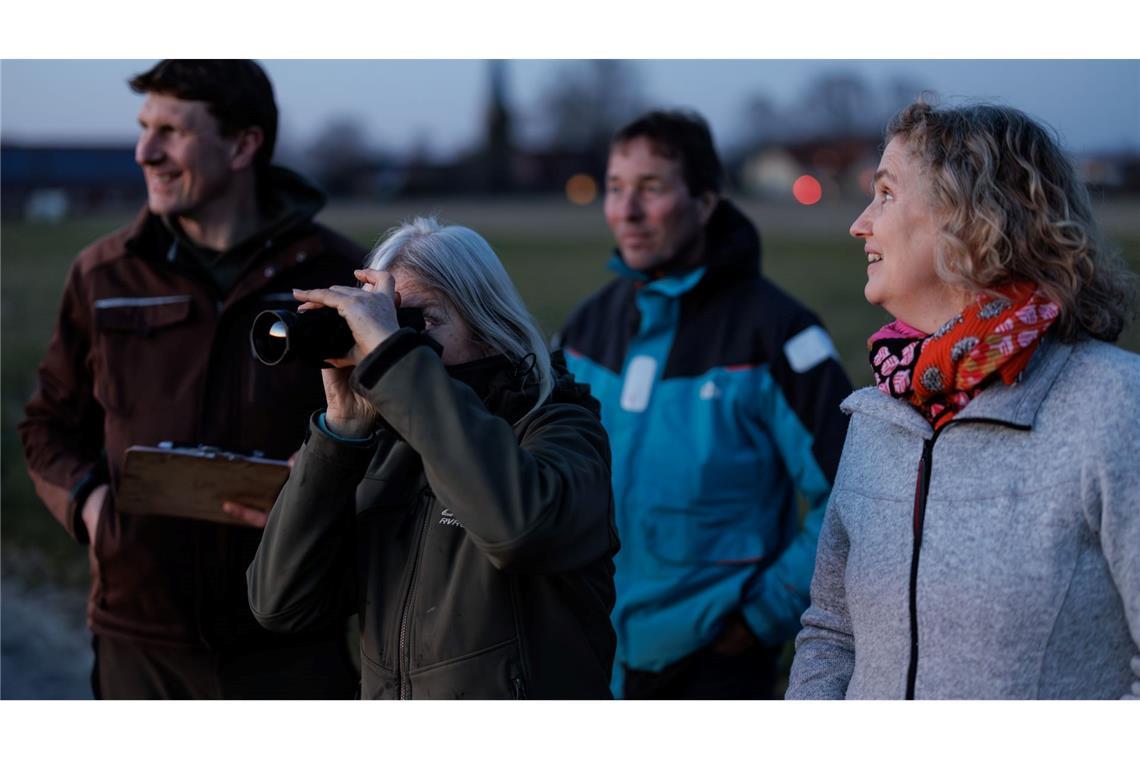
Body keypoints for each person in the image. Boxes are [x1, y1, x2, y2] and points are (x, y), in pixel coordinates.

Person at [18, 60, 363, 699]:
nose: (145, 151)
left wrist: (325, 491)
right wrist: (91, 510)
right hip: (139, 643)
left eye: (172, 131)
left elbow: (396, 442)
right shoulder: (103, 274)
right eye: (144, 127)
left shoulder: (340, 277)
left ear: (243, 145)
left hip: (293, 646)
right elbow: (47, 427)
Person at [786, 101, 1140, 699]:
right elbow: (831, 635)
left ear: (971, 217)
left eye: (887, 194)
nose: (859, 224)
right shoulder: (878, 414)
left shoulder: (1112, 405)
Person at [246, 217, 619, 699]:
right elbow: (280, 603)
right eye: (382, 324)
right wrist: (340, 433)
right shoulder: (385, 455)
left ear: (489, 327)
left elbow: (518, 529)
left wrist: (397, 365)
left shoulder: (561, 431)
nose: (386, 345)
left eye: (417, 323)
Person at [555, 110, 853, 699]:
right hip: (592, 653)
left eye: (652, 188)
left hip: (717, 667)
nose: (627, 211)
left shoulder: (779, 335)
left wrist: (759, 619)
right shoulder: (587, 326)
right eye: (616, 188)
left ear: (706, 201)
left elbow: (852, 499)